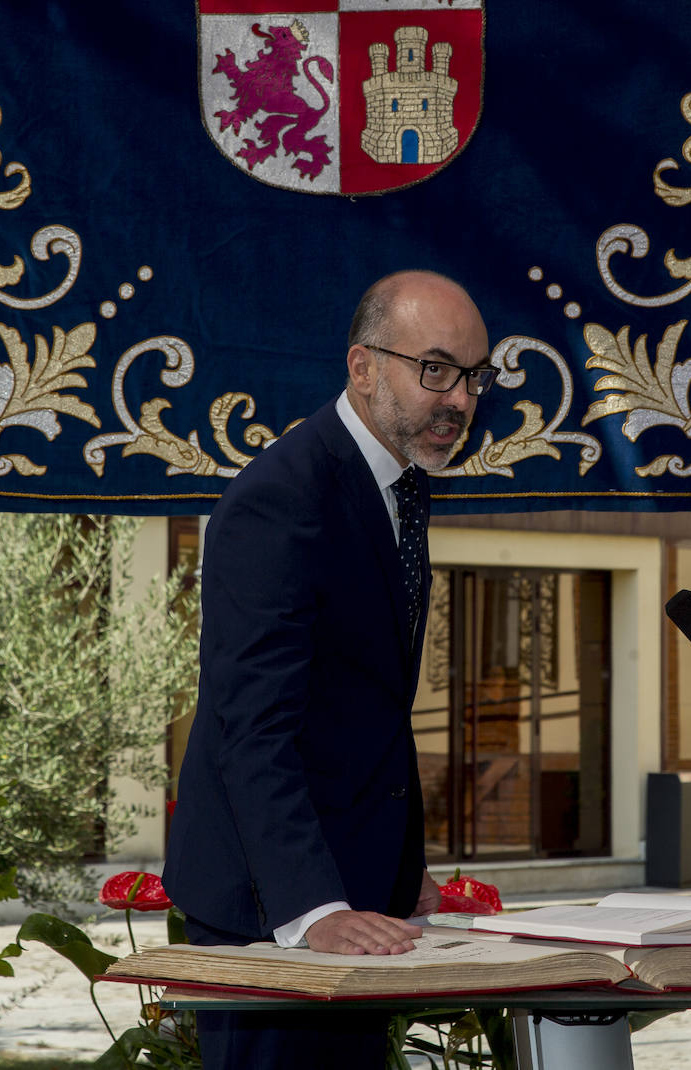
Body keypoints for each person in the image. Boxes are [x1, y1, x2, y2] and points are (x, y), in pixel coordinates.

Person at [162, 269, 495, 1069]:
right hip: (270, 908)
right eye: (437, 369)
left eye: (475, 377)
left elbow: (365, 703)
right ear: (363, 366)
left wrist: (400, 864)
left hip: (357, 900)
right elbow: (251, 728)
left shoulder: (394, 485)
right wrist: (313, 909)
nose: (460, 399)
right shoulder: (282, 498)